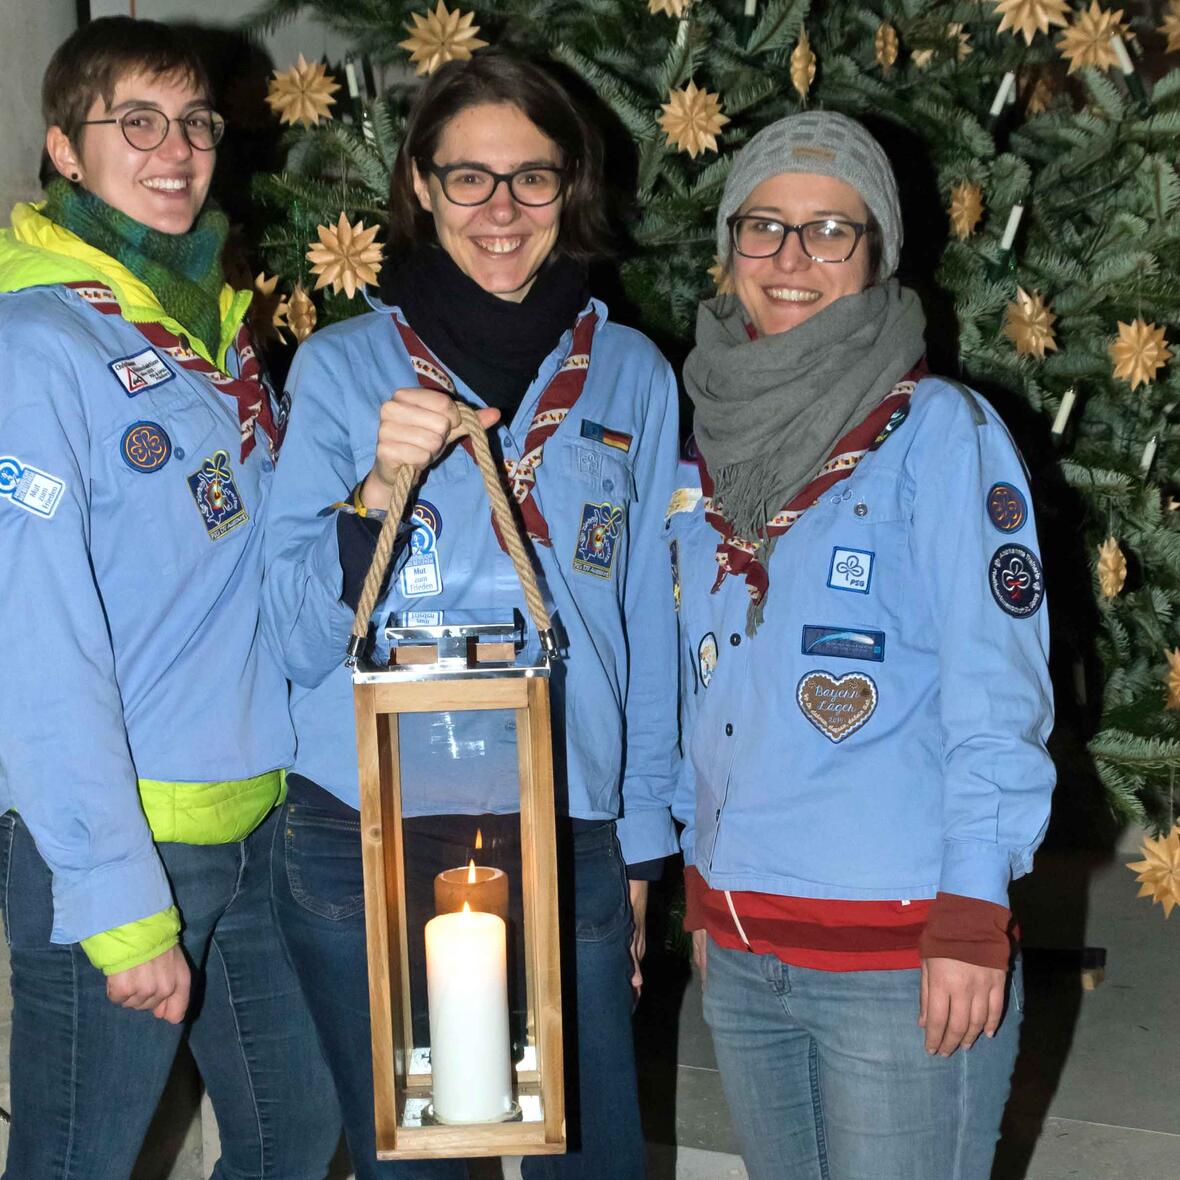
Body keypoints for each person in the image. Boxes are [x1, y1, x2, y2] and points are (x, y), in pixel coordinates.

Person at [263, 51, 680, 1180]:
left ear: (571, 185)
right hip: (366, 823)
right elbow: (287, 634)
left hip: (564, 817)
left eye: (531, 179)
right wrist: (370, 497)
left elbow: (646, 622)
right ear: (420, 184)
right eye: (468, 179)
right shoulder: (344, 370)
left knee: (590, 1161)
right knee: (424, 1165)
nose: (501, 210)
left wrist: (639, 845)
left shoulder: (631, 371)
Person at [668, 111, 1055, 1180]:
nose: (791, 260)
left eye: (830, 230)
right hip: (743, 949)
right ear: (729, 245)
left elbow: (997, 688)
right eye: (764, 227)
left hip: (899, 953)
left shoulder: (941, 432)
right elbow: (695, 689)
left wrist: (975, 907)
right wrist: (703, 885)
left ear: (877, 251)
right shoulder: (698, 440)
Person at [0, 18, 340, 1179]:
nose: (175, 149)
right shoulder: (35, 346)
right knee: (74, 1160)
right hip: (128, 840)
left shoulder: (214, 335)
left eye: (194, 122)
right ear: (63, 147)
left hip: (255, 821)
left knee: (298, 1130)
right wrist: (117, 901)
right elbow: (32, 642)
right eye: (134, 123)